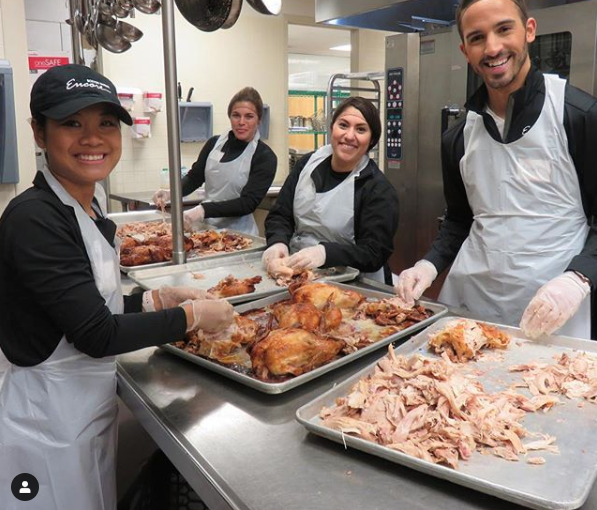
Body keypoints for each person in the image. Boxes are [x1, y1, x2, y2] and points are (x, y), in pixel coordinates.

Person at [0, 64, 235, 510]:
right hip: (45, 424)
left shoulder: (86, 208)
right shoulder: (35, 219)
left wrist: (153, 299)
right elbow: (96, 334)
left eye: (106, 123)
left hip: (81, 412)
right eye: (72, 124)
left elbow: (88, 304)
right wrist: (191, 317)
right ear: (38, 132)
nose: (93, 138)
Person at [394, 0, 597, 340]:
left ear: (529, 30)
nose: (492, 48)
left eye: (504, 29)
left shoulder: (578, 116)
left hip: (552, 311)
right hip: (471, 308)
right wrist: (428, 265)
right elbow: (459, 220)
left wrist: (578, 278)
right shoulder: (458, 137)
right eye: (477, 38)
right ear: (465, 51)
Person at [263, 96, 399, 283]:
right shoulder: (306, 164)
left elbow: (374, 252)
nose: (349, 136)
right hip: (298, 273)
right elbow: (280, 214)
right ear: (332, 128)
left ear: (372, 140)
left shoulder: (378, 189)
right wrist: (277, 242)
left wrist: (325, 253)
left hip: (355, 283)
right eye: (343, 125)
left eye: (360, 129)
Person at [152, 87, 277, 235]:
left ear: (259, 120)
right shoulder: (214, 144)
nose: (241, 122)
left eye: (249, 116)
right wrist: (171, 193)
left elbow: (247, 204)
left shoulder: (264, 156)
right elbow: (194, 178)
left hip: (240, 235)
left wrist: (202, 210)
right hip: (207, 231)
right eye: (236, 115)